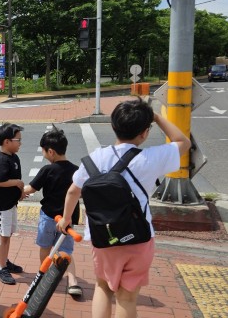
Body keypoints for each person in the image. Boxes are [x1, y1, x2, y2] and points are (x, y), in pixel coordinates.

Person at [57, 98, 190, 318]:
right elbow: (182, 141)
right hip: (138, 237)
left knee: (102, 287)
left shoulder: (94, 158)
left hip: (102, 236)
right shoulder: (151, 158)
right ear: (145, 132)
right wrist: (155, 116)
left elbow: (73, 191)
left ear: (113, 125)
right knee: (127, 297)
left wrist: (66, 219)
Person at [22, 126, 82, 296]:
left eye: (43, 151)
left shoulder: (47, 170)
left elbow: (31, 189)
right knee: (66, 250)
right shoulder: (76, 170)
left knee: (45, 247)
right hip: (67, 219)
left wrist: (19, 192)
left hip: (48, 216)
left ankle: (45, 275)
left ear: (51, 152)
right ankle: (73, 282)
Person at [0, 122, 25, 285]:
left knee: (7, 235)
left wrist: (19, 191)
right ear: (6, 142)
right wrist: (17, 183)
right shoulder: (2, 160)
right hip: (1, 206)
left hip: (10, 204)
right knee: (2, 237)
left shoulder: (14, 157)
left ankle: (3, 261)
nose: (20, 143)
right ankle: (1, 268)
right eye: (17, 140)